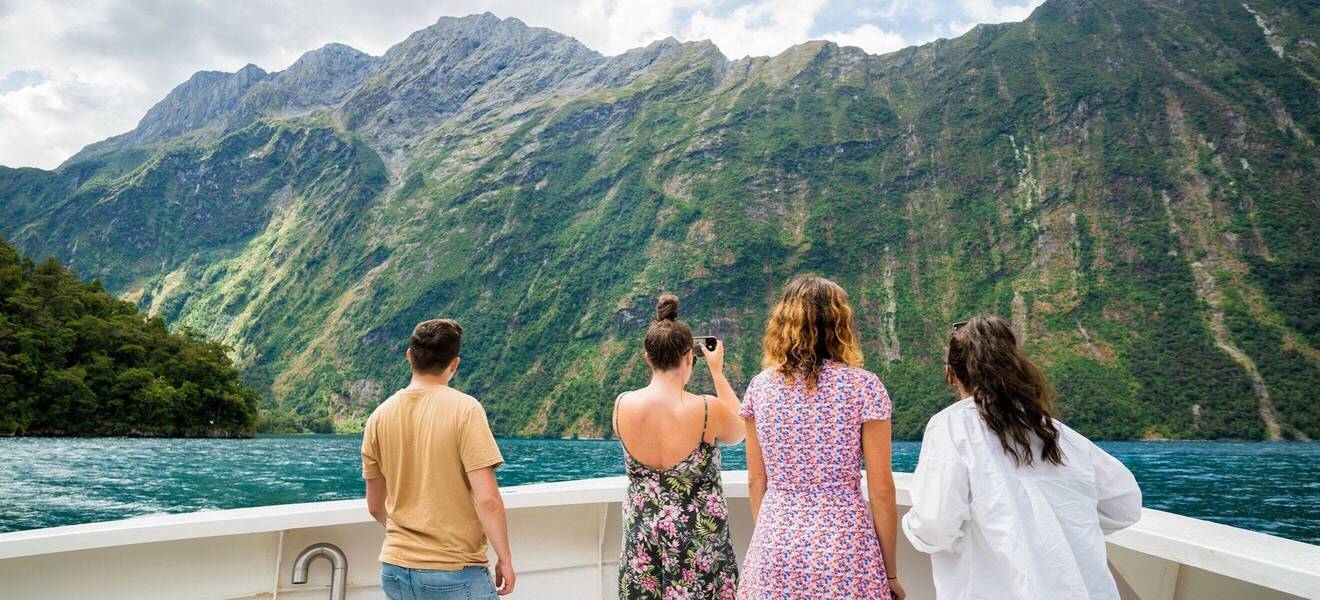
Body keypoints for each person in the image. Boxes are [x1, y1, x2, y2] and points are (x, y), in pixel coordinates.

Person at [902, 316, 1143, 600]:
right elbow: (1125, 504)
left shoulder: (952, 427)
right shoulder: (1054, 431)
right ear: (1014, 368)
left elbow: (936, 526)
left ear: (951, 375)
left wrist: (911, 524)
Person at [739, 275, 905, 600]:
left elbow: (756, 480)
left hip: (775, 542)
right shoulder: (864, 387)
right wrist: (890, 574)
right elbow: (881, 489)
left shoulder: (760, 388)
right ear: (839, 324)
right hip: (843, 547)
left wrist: (773, 531)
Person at [361, 319, 515, 599]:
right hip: (455, 570)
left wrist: (412, 537)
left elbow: (374, 506)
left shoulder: (378, 417)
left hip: (395, 569)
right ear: (454, 364)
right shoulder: (465, 410)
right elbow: (487, 499)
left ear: (410, 356)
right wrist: (504, 558)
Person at [613, 293, 744, 599]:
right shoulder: (707, 410)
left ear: (648, 358)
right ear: (689, 357)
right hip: (698, 546)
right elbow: (740, 429)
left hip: (642, 540)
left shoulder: (621, 406)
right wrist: (717, 371)